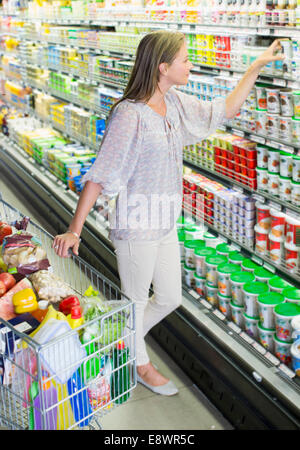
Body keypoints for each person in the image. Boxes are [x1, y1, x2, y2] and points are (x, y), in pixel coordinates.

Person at [52, 31, 284, 396]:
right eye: (185, 60)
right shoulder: (130, 115)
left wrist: (254, 68)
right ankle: (140, 363)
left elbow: (222, 111)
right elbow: (100, 175)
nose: (190, 64)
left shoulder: (173, 102)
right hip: (135, 224)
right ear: (163, 68)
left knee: (170, 298)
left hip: (164, 221)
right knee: (137, 301)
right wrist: (74, 230)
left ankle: (111, 337)